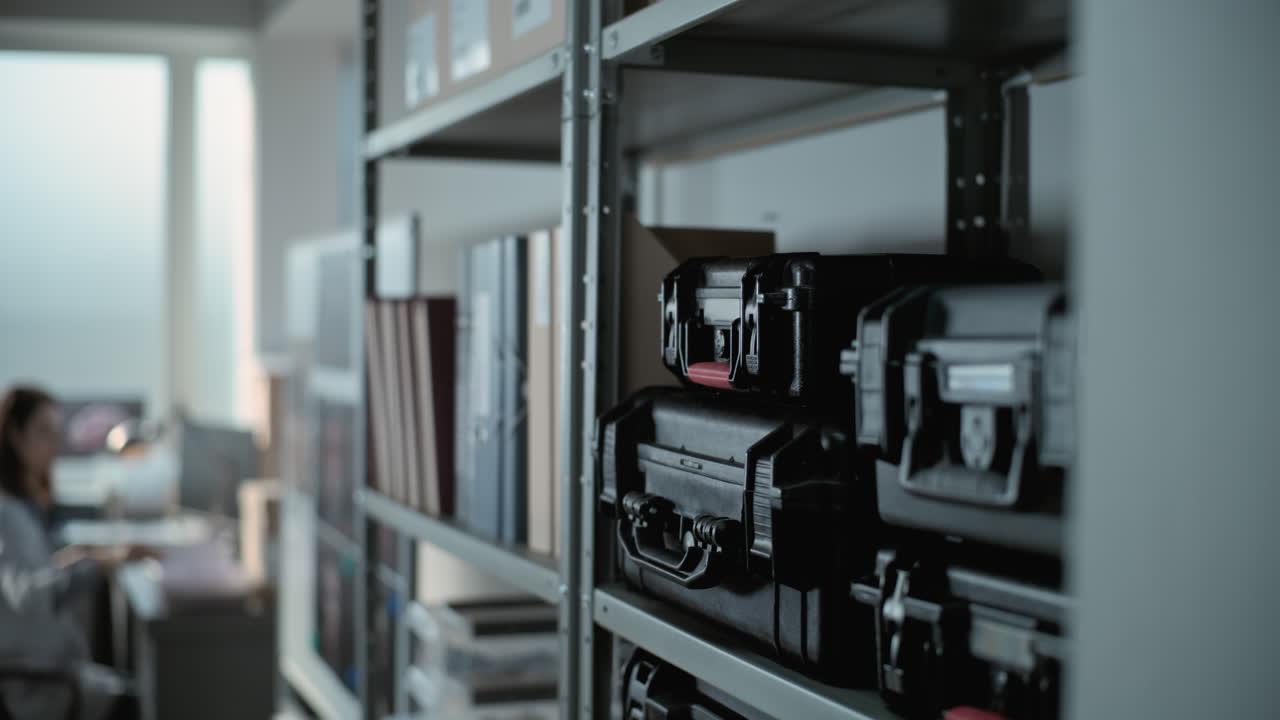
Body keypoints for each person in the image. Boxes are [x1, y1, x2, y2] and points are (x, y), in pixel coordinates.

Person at [0, 386, 138, 719]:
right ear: (15, 436)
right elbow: (29, 593)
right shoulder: (6, 512)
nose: (55, 446)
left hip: (52, 670)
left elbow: (24, 570)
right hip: (37, 683)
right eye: (44, 433)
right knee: (139, 700)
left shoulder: (24, 506)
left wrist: (76, 556)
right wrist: (98, 564)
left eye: (58, 434)